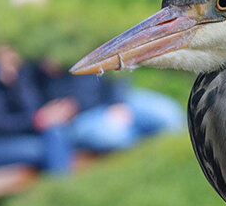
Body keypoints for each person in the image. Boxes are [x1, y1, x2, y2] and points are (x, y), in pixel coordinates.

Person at [30, 57, 185, 154]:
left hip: (117, 99)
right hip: (82, 118)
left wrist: (117, 103)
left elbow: (116, 71)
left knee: (169, 113)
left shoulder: (78, 43)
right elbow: (31, 107)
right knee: (116, 137)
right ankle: (149, 151)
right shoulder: (30, 68)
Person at [0, 45, 76, 172]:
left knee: (56, 133)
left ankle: (61, 184)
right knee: (47, 148)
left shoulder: (17, 77)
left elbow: (32, 107)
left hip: (17, 137)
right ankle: (61, 185)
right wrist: (36, 121)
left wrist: (15, 86)